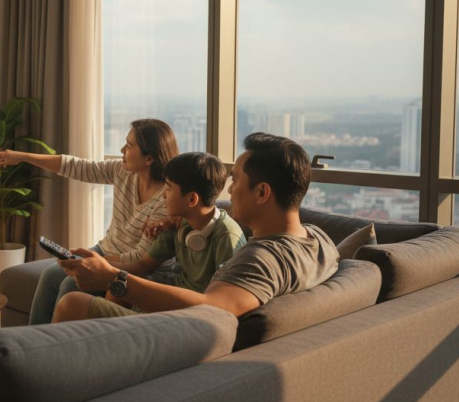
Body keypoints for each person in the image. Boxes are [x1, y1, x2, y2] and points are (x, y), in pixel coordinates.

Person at [53, 132, 340, 321]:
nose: (229, 188)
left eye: (236, 180)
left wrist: (115, 278)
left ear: (262, 193)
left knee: (73, 305)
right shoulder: (320, 240)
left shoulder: (262, 257)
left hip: (183, 340)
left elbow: (213, 309)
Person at [0, 119, 178, 325]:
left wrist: (94, 261)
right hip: (107, 250)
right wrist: (22, 157)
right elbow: (77, 167)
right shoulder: (123, 171)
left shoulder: (166, 200)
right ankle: (32, 339)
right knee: (50, 274)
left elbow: (142, 259)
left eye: (129, 146)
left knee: (71, 283)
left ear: (148, 159)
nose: (122, 150)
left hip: (136, 267)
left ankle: (58, 345)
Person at [95, 152, 247, 315]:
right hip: (174, 295)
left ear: (191, 200)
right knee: (119, 283)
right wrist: (100, 265)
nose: (163, 195)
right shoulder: (177, 224)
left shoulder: (227, 236)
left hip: (195, 311)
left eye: (168, 188)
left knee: (74, 303)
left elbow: (226, 301)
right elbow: (142, 265)